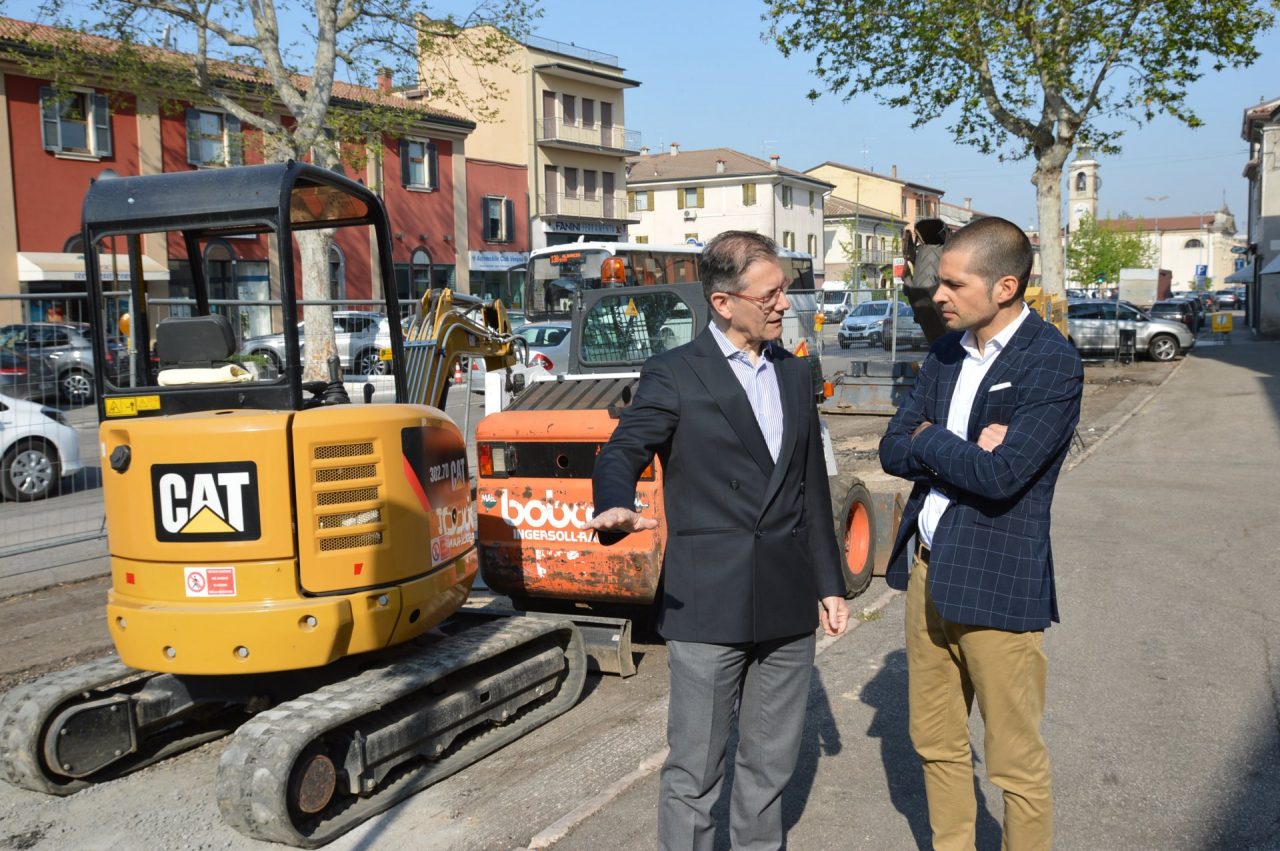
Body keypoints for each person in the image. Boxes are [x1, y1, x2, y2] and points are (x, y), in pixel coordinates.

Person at [588, 230, 849, 850]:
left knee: (770, 766)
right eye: (771, 294)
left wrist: (830, 584)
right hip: (708, 602)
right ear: (725, 302)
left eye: (786, 290)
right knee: (696, 770)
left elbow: (810, 486)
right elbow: (624, 450)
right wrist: (615, 503)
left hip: (786, 602)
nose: (785, 304)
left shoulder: (794, 372)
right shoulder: (675, 373)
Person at [880, 216, 1083, 851]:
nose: (936, 295)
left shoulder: (1050, 361)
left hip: (997, 579)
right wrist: (961, 446)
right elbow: (891, 449)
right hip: (926, 570)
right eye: (937, 281)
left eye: (952, 284)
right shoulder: (945, 353)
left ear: (1004, 287)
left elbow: (1002, 478)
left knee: (1014, 762)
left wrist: (933, 440)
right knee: (935, 742)